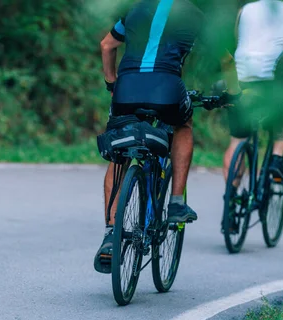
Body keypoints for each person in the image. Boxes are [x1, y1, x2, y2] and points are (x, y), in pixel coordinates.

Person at [94, 0, 242, 274]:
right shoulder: (195, 15)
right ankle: (175, 203)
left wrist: (111, 83)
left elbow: (107, 46)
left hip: (127, 90)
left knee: (120, 152)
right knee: (183, 125)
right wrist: (232, 93)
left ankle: (111, 234)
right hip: (167, 90)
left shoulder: (135, 10)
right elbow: (224, 59)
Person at [223, 0, 283, 188]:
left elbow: (239, 44)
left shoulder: (244, 11)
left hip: (239, 82)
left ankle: (231, 202)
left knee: (237, 140)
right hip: (270, 85)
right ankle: (277, 155)